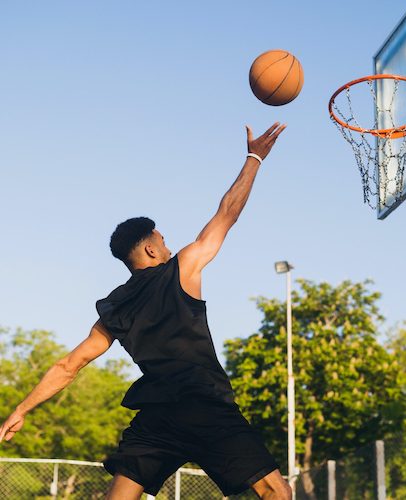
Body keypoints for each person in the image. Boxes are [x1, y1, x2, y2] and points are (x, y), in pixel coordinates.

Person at [0, 123, 291, 499]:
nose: (168, 246)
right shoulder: (180, 270)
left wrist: (21, 409)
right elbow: (227, 214)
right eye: (163, 240)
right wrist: (255, 158)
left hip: (158, 417)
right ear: (151, 249)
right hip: (204, 405)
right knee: (276, 492)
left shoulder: (114, 308)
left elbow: (68, 366)